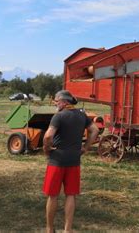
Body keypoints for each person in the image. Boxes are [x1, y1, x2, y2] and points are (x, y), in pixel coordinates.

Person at [42, 90, 99, 233]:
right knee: (71, 195)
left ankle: (50, 229)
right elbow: (95, 130)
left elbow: (48, 136)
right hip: (74, 160)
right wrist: (85, 147)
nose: (55, 104)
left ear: (64, 102)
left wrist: (46, 148)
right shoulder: (82, 115)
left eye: (56, 101)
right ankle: (67, 230)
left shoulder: (58, 116)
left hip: (57, 160)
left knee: (53, 195)